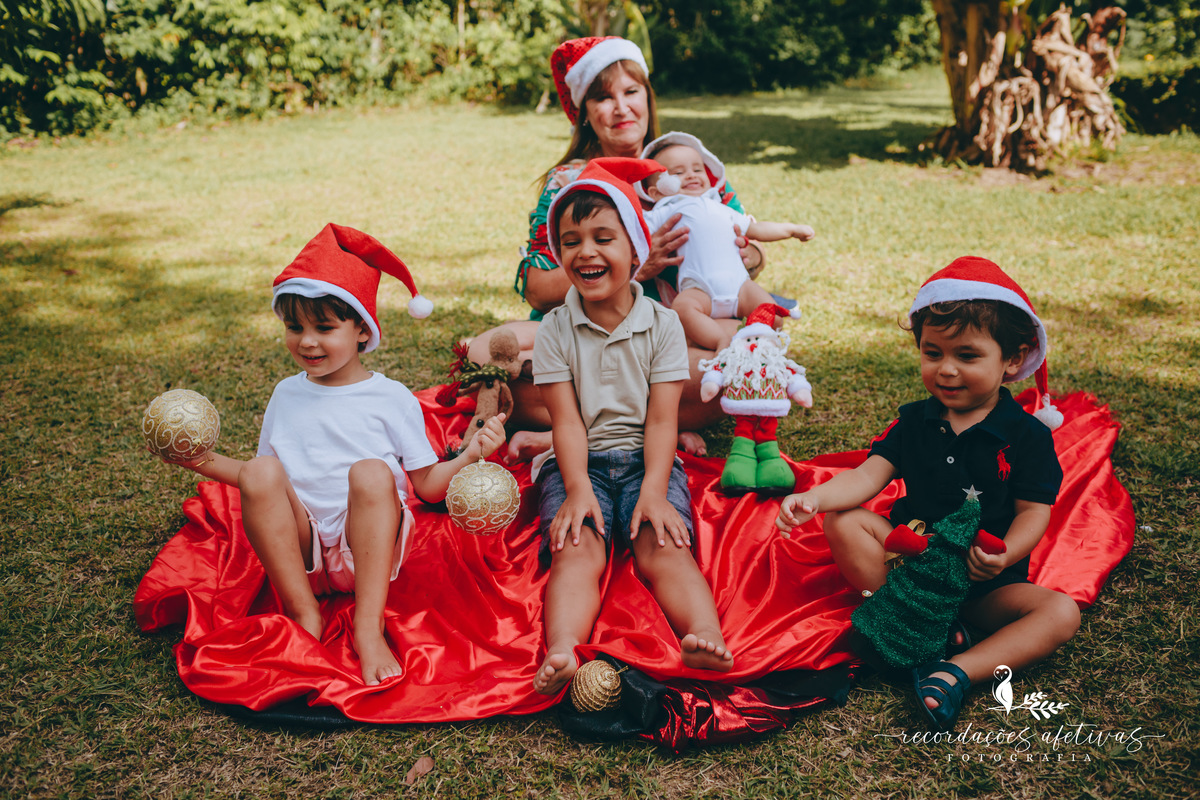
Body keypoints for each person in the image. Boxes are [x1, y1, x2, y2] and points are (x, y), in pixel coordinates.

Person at [160, 224, 507, 686]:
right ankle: (306, 613)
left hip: (368, 548)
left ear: (362, 329)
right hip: (301, 550)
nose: (307, 341)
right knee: (264, 469)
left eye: (324, 327)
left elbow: (424, 486)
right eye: (294, 327)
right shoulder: (286, 394)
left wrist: (468, 456)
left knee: (369, 472)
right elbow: (263, 482)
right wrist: (197, 461)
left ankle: (368, 627)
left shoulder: (390, 397)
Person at [774, 256, 1080, 731]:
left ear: (1013, 360)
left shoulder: (1026, 436)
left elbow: (1033, 512)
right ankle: (905, 619)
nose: (947, 370)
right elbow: (869, 475)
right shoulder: (916, 419)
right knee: (843, 521)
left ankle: (957, 670)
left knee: (1060, 613)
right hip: (908, 565)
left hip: (984, 585)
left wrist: (1004, 556)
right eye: (933, 353)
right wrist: (815, 498)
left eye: (967, 355)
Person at [468, 36, 768, 459]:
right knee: (488, 352)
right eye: (604, 98)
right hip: (580, 337)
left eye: (631, 91)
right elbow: (536, 288)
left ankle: (577, 432)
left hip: (670, 341)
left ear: (648, 97)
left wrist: (746, 254)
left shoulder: (685, 164)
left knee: (743, 360)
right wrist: (636, 267)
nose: (622, 107)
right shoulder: (568, 183)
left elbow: (752, 255)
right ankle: (652, 430)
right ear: (586, 115)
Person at [530, 157, 733, 695]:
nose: (586, 251)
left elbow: (663, 419)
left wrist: (653, 492)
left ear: (635, 249)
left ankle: (705, 634)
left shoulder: (663, 325)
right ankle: (562, 650)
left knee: (662, 544)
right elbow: (566, 421)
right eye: (570, 241)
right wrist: (576, 491)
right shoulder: (554, 330)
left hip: (648, 457)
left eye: (603, 236)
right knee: (577, 549)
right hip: (578, 462)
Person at [640, 132, 814, 351]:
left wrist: (791, 229)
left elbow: (757, 229)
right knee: (682, 310)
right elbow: (635, 230)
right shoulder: (667, 209)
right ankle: (719, 341)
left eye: (697, 169)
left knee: (772, 314)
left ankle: (755, 341)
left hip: (741, 287)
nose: (692, 176)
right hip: (699, 289)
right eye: (678, 172)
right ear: (656, 193)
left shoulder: (722, 208)